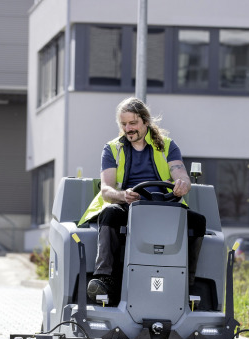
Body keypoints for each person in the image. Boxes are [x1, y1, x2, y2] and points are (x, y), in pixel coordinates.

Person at [78, 97, 206, 304]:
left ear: (146, 121)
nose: (128, 129)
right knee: (109, 214)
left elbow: (180, 173)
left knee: (198, 221)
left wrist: (183, 184)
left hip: (164, 206)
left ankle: (187, 282)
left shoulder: (167, 146)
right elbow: (107, 190)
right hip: (128, 206)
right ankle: (104, 278)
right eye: (124, 124)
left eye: (133, 123)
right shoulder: (111, 149)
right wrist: (122, 195)